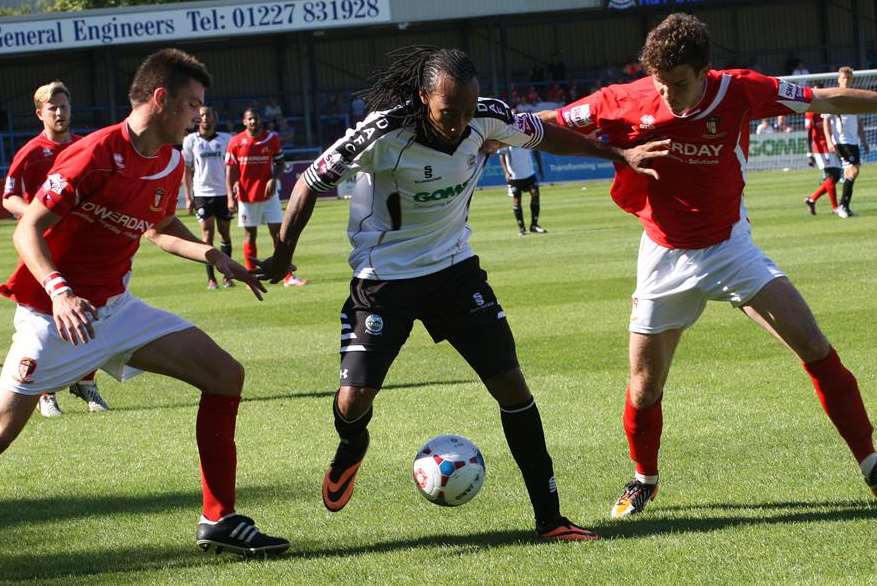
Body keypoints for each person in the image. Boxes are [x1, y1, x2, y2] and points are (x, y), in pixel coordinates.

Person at [258, 46, 669, 542]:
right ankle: (351, 446)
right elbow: (308, 182)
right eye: (448, 112)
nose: (459, 123)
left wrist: (614, 153)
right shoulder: (383, 133)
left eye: (467, 111)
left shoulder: (487, 118)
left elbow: (546, 136)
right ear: (423, 98)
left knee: (513, 389)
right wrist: (282, 255)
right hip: (383, 278)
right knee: (354, 399)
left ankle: (551, 520)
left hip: (455, 272)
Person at [542, 13, 877, 518]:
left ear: (705, 72)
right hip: (663, 253)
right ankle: (643, 479)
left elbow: (826, 98)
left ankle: (871, 464)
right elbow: (543, 127)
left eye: (679, 84)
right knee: (644, 386)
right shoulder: (623, 100)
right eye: (661, 83)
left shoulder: (741, 90)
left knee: (813, 344)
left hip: (730, 248)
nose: (669, 96)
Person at [0, 49, 288, 557]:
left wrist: (211, 254)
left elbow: (158, 227)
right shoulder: (92, 153)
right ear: (160, 99)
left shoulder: (171, 159)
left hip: (116, 312)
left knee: (225, 375)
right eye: (192, 103)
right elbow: (27, 229)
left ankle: (218, 520)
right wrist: (61, 292)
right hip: (54, 319)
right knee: (3, 431)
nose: (200, 115)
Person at [1, 80, 109, 417]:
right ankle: (46, 392)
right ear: (40, 114)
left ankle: (87, 382)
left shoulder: (84, 147)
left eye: (64, 106)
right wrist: (34, 213)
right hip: (43, 251)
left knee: (92, 313)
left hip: (82, 249)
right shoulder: (32, 153)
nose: (60, 113)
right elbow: (9, 197)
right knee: (48, 322)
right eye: (53, 108)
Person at [226, 107, 307, 287]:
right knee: (250, 235)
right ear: (244, 121)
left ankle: (287, 276)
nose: (253, 122)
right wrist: (230, 197)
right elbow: (230, 169)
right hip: (246, 196)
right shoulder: (235, 142)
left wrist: (274, 177)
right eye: (249, 119)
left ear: (260, 119)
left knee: (279, 234)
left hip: (269, 195)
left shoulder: (272, 139)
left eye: (255, 118)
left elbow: (280, 162)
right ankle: (250, 278)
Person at [183, 106, 235, 289]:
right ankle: (211, 279)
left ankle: (227, 276)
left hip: (222, 192)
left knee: (225, 233)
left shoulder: (226, 139)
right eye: (202, 115)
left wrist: (232, 193)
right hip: (202, 193)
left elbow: (232, 168)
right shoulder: (190, 141)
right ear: (198, 119)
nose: (205, 118)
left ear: (214, 118)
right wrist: (188, 197)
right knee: (207, 234)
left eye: (208, 115)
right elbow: (187, 170)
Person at [824, 66, 868, 217]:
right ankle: (842, 206)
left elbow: (859, 121)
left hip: (853, 142)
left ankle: (845, 206)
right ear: (838, 79)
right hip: (842, 141)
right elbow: (826, 121)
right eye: (843, 78)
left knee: (853, 172)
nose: (846, 80)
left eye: (848, 78)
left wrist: (864, 140)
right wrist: (829, 141)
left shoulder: (854, 97)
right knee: (853, 170)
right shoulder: (835, 97)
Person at [498, 144, 545, 235]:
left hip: (529, 173)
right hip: (514, 177)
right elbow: (502, 156)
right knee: (516, 200)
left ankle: (534, 225)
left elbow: (536, 151)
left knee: (535, 194)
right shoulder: (507, 138)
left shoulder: (527, 135)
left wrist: (540, 168)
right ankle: (522, 228)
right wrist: (506, 172)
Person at [803, 102, 841, 215]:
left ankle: (812, 199)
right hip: (820, 148)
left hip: (830, 145)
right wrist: (809, 153)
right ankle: (835, 208)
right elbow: (809, 133)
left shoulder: (828, 108)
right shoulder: (811, 113)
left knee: (836, 176)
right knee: (831, 175)